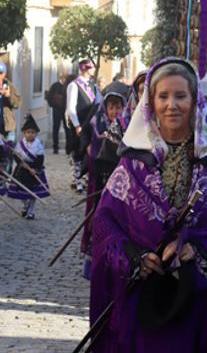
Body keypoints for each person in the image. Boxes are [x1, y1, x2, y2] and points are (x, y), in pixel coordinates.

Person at [88, 57, 207, 352]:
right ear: (151, 103)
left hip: (196, 296)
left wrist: (193, 249)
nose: (172, 104)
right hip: (143, 298)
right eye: (163, 96)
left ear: (195, 101)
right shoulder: (133, 162)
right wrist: (134, 256)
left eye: (180, 95)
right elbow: (106, 223)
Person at [81, 92, 126, 277]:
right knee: (99, 219)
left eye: (118, 107)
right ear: (105, 109)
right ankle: (94, 265)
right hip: (100, 180)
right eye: (111, 107)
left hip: (121, 183)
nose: (114, 111)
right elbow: (87, 141)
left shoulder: (128, 126)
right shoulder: (97, 124)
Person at [66, 59, 101, 193]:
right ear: (85, 69)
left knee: (88, 151)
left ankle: (86, 178)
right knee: (77, 152)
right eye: (91, 67)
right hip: (79, 124)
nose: (93, 70)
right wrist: (76, 125)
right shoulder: (74, 85)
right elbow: (70, 108)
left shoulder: (92, 85)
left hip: (90, 124)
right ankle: (77, 180)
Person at [7, 115, 50, 220]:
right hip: (22, 170)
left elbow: (40, 158)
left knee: (33, 193)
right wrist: (21, 163)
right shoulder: (20, 144)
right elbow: (16, 156)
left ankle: (31, 211)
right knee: (21, 191)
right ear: (24, 133)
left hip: (34, 170)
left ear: (35, 133)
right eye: (28, 132)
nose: (30, 134)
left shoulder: (38, 145)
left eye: (32, 132)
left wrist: (35, 169)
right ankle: (25, 205)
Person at [46, 73, 67, 154]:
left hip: (65, 110)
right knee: (56, 128)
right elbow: (49, 97)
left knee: (67, 129)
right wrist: (53, 105)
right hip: (57, 110)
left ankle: (68, 148)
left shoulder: (68, 86)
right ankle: (55, 147)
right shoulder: (55, 86)